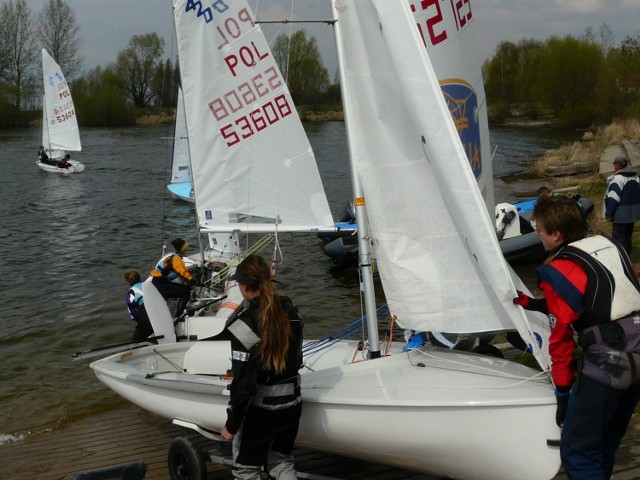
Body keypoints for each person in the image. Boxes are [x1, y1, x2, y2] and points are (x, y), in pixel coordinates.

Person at [513, 195, 640, 479]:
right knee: (605, 442)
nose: (537, 234)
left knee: (578, 450)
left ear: (556, 236)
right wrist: (533, 304)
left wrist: (562, 394)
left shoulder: (556, 270)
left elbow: (560, 340)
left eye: (540, 230)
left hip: (610, 364)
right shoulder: (611, 245)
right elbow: (602, 301)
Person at [220, 254, 303, 480]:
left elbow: (244, 383)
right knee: (281, 463)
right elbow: (298, 360)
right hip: (292, 404)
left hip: (261, 411)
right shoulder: (291, 311)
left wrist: (232, 424)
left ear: (244, 287)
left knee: (246, 470)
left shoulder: (244, 324)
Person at [603, 155, 640, 255]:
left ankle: (621, 258)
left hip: (621, 215)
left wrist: (609, 214)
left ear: (618, 165)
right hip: (632, 214)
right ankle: (627, 255)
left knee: (618, 239)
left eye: (614, 163)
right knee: (628, 236)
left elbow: (613, 198)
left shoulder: (618, 179)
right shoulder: (636, 177)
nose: (614, 165)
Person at [150, 238, 195, 318]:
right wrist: (192, 280)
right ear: (182, 250)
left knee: (187, 288)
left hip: (160, 282)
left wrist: (190, 282)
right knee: (186, 294)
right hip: (159, 285)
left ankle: (180, 310)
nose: (187, 251)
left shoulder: (172, 254)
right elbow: (183, 272)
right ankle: (178, 317)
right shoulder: (176, 259)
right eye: (186, 249)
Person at [123, 270, 155, 343]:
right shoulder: (149, 284)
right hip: (159, 311)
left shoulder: (130, 293)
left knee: (134, 342)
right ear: (139, 278)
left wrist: (138, 320)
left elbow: (133, 313)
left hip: (146, 316)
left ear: (128, 281)